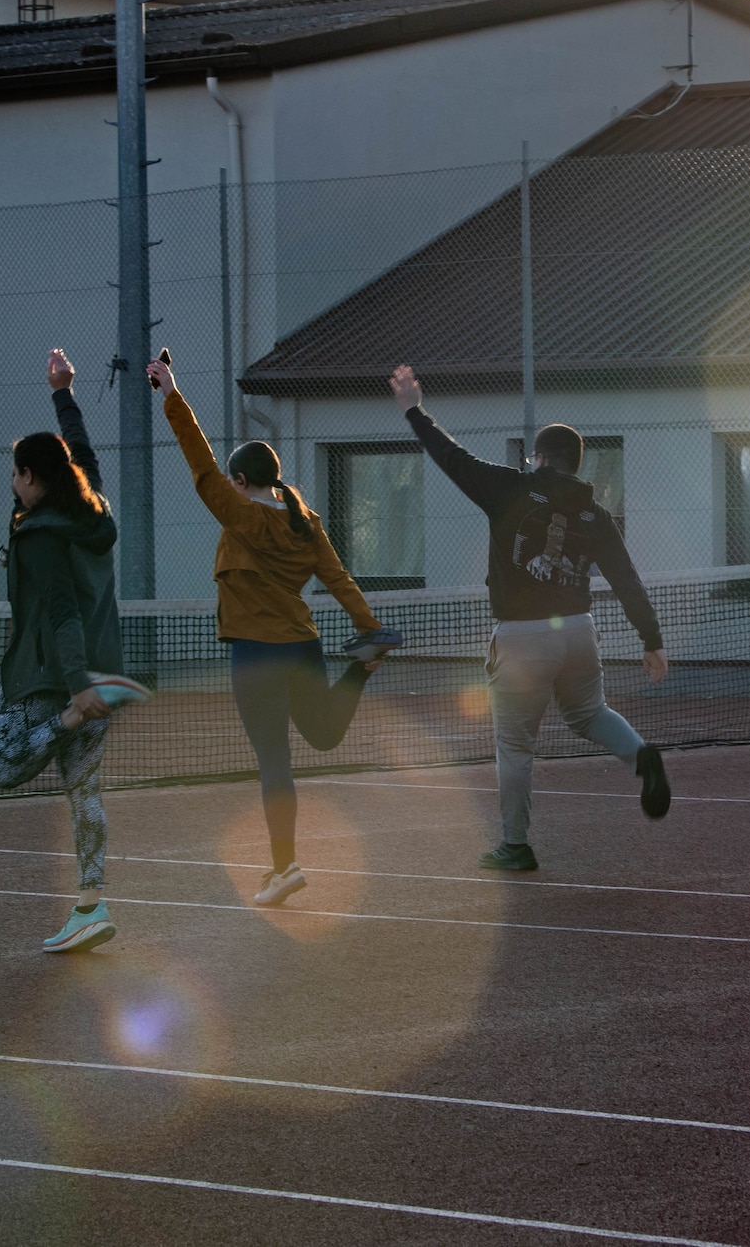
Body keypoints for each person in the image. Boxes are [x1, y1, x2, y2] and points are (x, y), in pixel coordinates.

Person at [390, 364, 670, 873]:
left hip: (521, 638)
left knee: (515, 743)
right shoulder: (595, 514)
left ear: (539, 458)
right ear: (576, 464)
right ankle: (640, 755)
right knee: (589, 714)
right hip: (578, 632)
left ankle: (515, 845)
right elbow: (627, 579)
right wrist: (651, 639)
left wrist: (414, 409)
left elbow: (451, 457)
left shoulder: (508, 489)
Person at [151, 352, 402, 906]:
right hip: (302, 645)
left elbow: (199, 463)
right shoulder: (305, 522)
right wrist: (372, 630)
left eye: (232, 483)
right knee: (324, 734)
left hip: (256, 656)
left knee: (274, 761)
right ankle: (359, 670)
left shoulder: (242, 513)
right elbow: (339, 581)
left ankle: (284, 867)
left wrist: (171, 392)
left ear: (241, 482)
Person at [0, 349, 151, 953]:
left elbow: (60, 614)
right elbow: (84, 456)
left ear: (32, 477)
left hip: (50, 679)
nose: (13, 484)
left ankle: (65, 719)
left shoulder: (42, 536)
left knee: (2, 767)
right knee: (84, 793)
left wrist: (76, 692)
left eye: (15, 475)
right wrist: (63, 391)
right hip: (99, 671)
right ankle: (91, 904)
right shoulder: (94, 511)